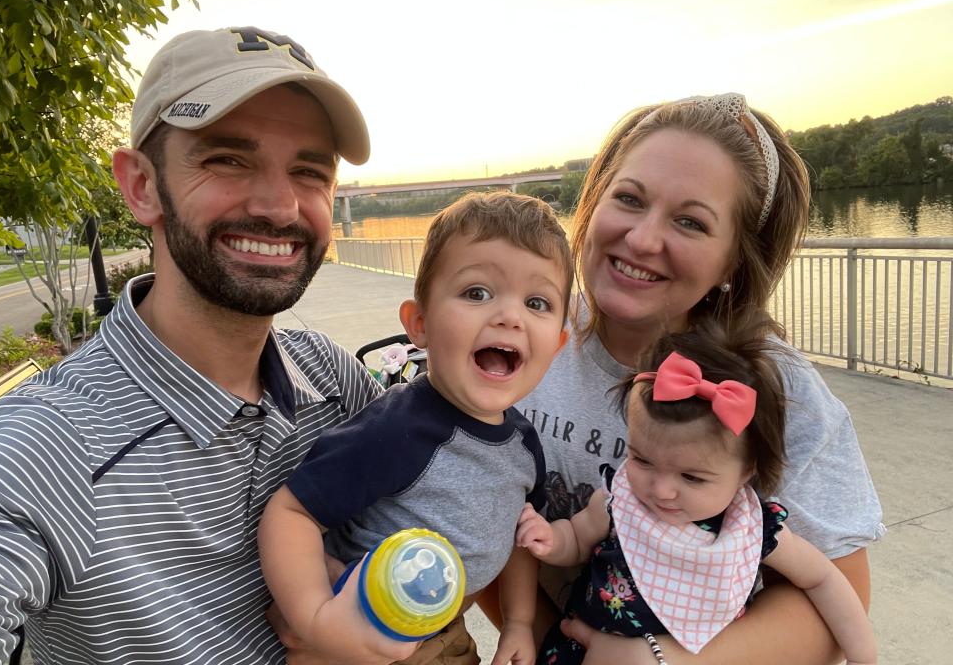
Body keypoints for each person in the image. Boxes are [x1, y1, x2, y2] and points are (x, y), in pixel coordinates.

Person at [0, 26, 405, 665]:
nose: (279, 205)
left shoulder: (331, 378)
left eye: (309, 170)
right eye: (228, 159)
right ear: (140, 186)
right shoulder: (42, 447)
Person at [480, 92, 883, 664]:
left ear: (735, 261)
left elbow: (839, 590)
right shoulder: (522, 336)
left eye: (691, 222)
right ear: (593, 204)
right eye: (628, 198)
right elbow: (469, 508)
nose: (643, 239)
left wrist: (660, 661)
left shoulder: (769, 385)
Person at [258, 191, 573, 665]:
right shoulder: (397, 428)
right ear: (419, 324)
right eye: (477, 293)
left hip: (446, 634)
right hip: (357, 638)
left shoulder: (524, 445)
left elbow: (521, 536)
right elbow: (291, 513)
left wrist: (518, 622)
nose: (510, 316)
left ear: (558, 345)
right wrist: (316, 619)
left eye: (537, 302)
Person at [516, 320, 877, 665]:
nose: (661, 490)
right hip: (582, 652)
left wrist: (862, 654)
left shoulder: (756, 530)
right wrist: (549, 538)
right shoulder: (618, 498)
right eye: (642, 459)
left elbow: (824, 578)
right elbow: (578, 537)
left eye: (692, 478)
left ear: (745, 473)